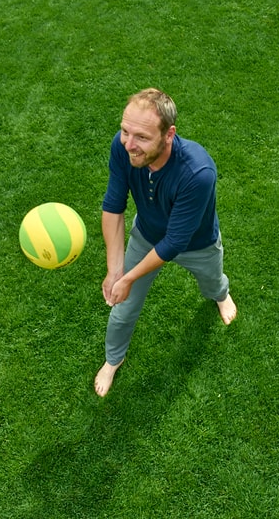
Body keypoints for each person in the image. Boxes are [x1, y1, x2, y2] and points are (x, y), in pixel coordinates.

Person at [95, 88, 237, 397]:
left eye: (142, 137)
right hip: (146, 236)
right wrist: (114, 271)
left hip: (197, 245)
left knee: (212, 281)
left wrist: (129, 277)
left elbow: (174, 241)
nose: (129, 145)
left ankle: (220, 294)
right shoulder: (123, 149)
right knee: (122, 307)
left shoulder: (197, 172)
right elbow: (113, 205)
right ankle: (112, 359)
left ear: (168, 134)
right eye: (124, 131)